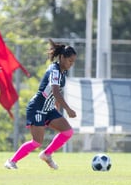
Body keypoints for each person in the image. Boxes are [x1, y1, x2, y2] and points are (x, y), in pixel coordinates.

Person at [4, 39, 77, 170]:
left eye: (73, 62)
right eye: (70, 61)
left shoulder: (63, 72)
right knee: (37, 142)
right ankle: (11, 161)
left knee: (68, 132)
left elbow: (56, 90)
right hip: (37, 107)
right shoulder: (54, 70)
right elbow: (55, 90)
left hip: (48, 109)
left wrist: (57, 106)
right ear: (61, 57)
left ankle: (47, 154)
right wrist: (68, 109)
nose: (71, 64)